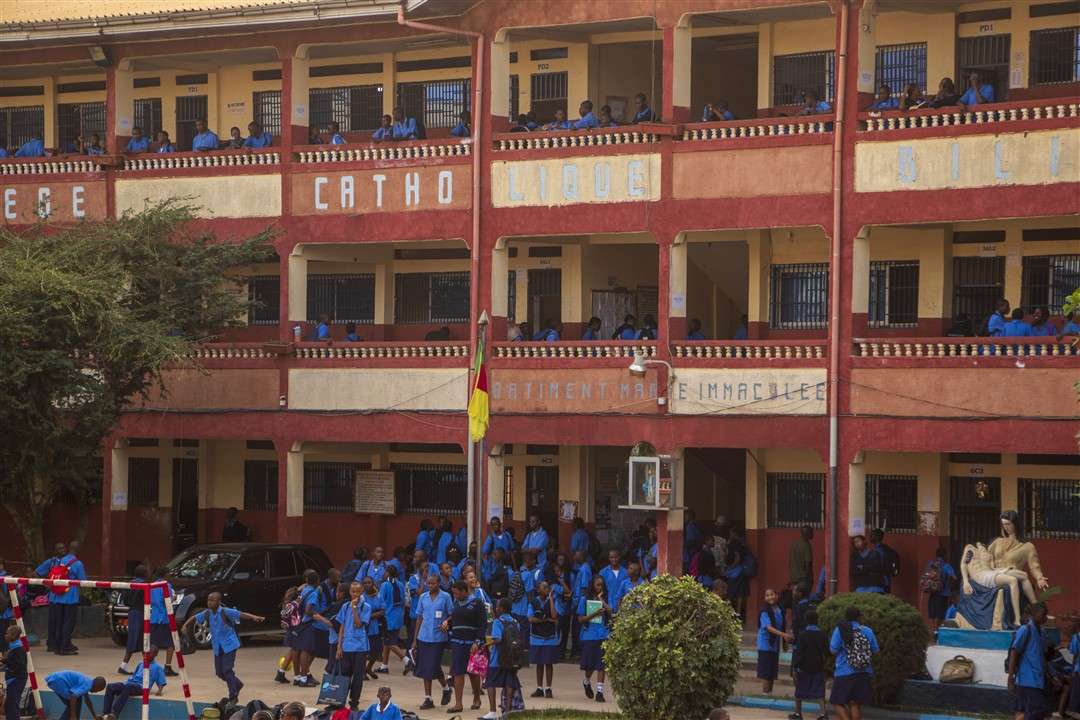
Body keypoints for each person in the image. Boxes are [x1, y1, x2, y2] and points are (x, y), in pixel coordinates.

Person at [412, 573, 453, 709]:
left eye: (433, 583)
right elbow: (419, 618)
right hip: (424, 636)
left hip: (438, 637)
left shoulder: (446, 597)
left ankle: (445, 688)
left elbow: (451, 614)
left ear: (438, 583)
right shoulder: (423, 597)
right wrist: (414, 640)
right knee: (425, 667)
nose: (430, 586)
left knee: (433, 665)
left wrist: (446, 621)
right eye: (428, 583)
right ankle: (428, 698)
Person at [829, 606, 878, 720]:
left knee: (836, 702)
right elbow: (876, 650)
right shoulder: (867, 630)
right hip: (864, 672)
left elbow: (833, 650)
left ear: (845, 617)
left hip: (844, 671)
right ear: (859, 617)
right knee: (855, 704)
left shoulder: (840, 630)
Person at [36, 540, 84, 656]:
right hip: (70, 597)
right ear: (78, 549)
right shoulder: (78, 563)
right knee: (68, 623)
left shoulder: (59, 561)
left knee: (59, 622)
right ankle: (65, 647)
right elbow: (83, 580)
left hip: (57, 596)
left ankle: (57, 646)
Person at [444, 580, 485, 713]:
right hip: (457, 643)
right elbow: (454, 620)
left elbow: (482, 624)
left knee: (473, 673)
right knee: (458, 672)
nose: (455, 596)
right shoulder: (456, 603)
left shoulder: (477, 603)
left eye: (457, 593)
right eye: (454, 594)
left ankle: (477, 698)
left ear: (464, 591)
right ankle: (458, 704)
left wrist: (477, 642)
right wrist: (447, 624)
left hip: (471, 643)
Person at [334, 581, 373, 712]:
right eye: (352, 591)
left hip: (360, 648)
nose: (355, 594)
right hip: (346, 647)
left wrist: (355, 608)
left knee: (357, 677)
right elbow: (342, 627)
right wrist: (339, 646)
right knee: (344, 677)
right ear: (349, 592)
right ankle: (339, 702)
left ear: (362, 592)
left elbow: (358, 624)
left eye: (357, 591)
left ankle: (354, 703)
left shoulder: (366, 607)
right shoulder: (345, 606)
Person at [483, 598, 522, 720]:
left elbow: (497, 638)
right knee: (509, 683)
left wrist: (486, 644)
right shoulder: (515, 622)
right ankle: (508, 712)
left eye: (498, 606)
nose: (496, 608)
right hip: (512, 659)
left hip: (497, 659)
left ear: (502, 609)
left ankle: (492, 711)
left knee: (490, 683)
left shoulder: (497, 621)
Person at [1009, 602, 1050, 720]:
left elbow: (1042, 655)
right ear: (1034, 613)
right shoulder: (1025, 629)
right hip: (1027, 679)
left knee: (1027, 711)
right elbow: (1014, 652)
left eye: (1046, 614)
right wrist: (1010, 677)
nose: (1045, 617)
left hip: (1039, 679)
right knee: (1038, 709)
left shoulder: (1042, 633)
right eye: (1043, 614)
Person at [102, 645, 166, 716]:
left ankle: (114, 713)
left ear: (155, 654)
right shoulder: (140, 664)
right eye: (145, 652)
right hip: (130, 684)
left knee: (128, 687)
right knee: (110, 687)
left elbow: (162, 682)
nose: (146, 654)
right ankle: (105, 714)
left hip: (142, 687)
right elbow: (134, 675)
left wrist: (160, 690)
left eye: (150, 653)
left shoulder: (157, 667)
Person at [578, 575, 612, 703]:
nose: (600, 587)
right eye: (598, 584)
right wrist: (594, 614)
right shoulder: (584, 599)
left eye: (602, 585)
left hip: (603, 634)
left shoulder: (605, 598)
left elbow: (611, 611)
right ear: (592, 585)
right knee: (590, 665)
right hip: (589, 635)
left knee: (601, 665)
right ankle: (586, 681)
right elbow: (580, 619)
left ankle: (599, 692)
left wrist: (602, 600)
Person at [791, 608, 828, 720]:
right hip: (818, 666)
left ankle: (798, 713)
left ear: (806, 621)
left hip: (804, 667)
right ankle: (823, 714)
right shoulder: (822, 634)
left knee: (799, 690)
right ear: (817, 620)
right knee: (819, 691)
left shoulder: (802, 635)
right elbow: (826, 651)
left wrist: (794, 667)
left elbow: (799, 652)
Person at [527, 580, 559, 698]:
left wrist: (551, 600)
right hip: (536, 637)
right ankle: (539, 688)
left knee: (549, 663)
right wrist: (545, 620)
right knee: (539, 663)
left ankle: (548, 688)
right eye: (544, 587)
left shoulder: (553, 600)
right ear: (538, 590)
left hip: (550, 637)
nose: (547, 589)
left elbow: (554, 616)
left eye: (547, 587)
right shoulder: (533, 602)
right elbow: (530, 619)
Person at [758, 588, 792, 694]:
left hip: (775, 645)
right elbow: (768, 627)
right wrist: (783, 635)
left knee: (772, 671)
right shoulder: (764, 611)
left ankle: (770, 693)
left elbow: (783, 625)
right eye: (767, 595)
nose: (770, 597)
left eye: (772, 594)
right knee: (766, 672)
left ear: (777, 596)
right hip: (765, 644)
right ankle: (765, 694)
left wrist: (784, 641)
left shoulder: (780, 610)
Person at [375, 565, 408, 673]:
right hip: (398, 616)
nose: (383, 574)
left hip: (388, 617)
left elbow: (380, 601)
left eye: (385, 572)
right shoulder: (400, 584)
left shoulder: (385, 585)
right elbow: (403, 600)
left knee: (390, 642)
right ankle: (384, 666)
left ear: (388, 573)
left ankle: (407, 661)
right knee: (387, 641)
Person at [117, 564, 149, 674]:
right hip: (140, 613)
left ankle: (147, 665)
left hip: (132, 612)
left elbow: (125, 600)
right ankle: (123, 666)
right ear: (144, 573)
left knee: (142, 639)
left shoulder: (129, 584)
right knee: (137, 638)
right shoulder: (144, 585)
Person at [925, 547, 957, 634]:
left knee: (933, 614)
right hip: (943, 594)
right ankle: (939, 631)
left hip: (933, 592)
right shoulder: (946, 566)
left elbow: (927, 576)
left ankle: (934, 630)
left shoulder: (931, 564)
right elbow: (954, 577)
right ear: (945, 555)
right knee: (941, 614)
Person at [1, 625, 27, 720]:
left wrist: (5, 661)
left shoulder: (18, 649)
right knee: (10, 704)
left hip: (16, 679)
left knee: (12, 704)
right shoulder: (13, 647)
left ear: (13, 635)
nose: (5, 635)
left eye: (7, 633)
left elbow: (20, 665)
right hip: (13, 679)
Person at [869, 529, 899, 594]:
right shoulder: (887, 549)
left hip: (879, 582)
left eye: (872, 535)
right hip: (887, 581)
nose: (870, 537)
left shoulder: (879, 550)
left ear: (877, 537)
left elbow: (877, 566)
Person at [789, 525, 815, 600]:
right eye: (811, 532)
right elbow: (808, 563)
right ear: (807, 533)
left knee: (795, 600)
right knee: (804, 601)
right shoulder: (806, 545)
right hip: (804, 579)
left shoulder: (794, 544)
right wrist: (810, 578)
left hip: (794, 578)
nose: (813, 534)